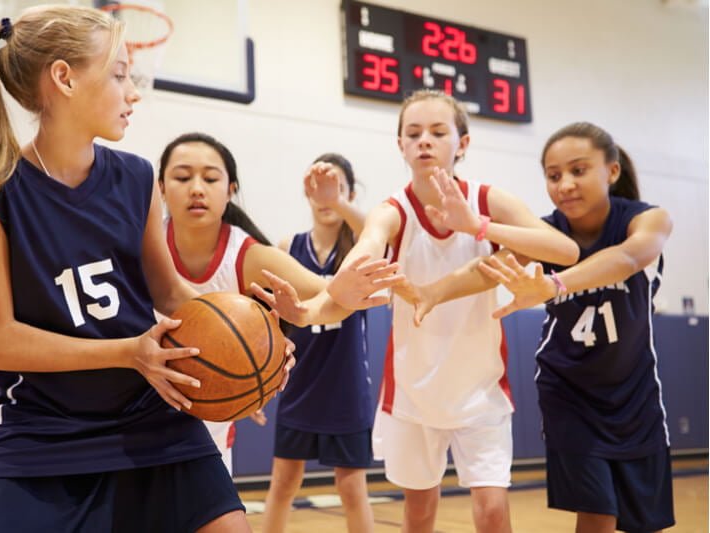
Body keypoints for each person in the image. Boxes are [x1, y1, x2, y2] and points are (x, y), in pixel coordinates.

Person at [0, 7, 298, 532]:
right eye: (120, 74)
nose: (133, 92)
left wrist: (258, 336)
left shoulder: (136, 177)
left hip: (150, 419)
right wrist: (129, 352)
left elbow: (170, 293)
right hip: (41, 429)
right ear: (64, 78)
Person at [252, 89, 580, 533]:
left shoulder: (487, 200)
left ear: (461, 144)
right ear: (400, 146)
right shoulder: (394, 211)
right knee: (419, 513)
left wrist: (477, 226)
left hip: (480, 390)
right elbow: (367, 247)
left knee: (491, 512)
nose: (425, 140)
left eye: (438, 131)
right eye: (414, 132)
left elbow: (566, 249)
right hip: (413, 393)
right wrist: (313, 307)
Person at [158, 134, 400, 478]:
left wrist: (252, 373)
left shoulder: (248, 255)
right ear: (161, 188)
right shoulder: (140, 242)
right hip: (138, 421)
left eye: (210, 178)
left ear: (230, 189)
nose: (197, 188)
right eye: (182, 177)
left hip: (207, 434)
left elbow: (331, 297)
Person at [476, 122, 675, 533]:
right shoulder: (545, 234)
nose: (565, 184)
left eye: (578, 170)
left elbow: (627, 258)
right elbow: (481, 270)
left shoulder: (647, 219)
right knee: (598, 511)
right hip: (569, 390)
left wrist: (552, 284)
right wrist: (427, 292)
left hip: (635, 393)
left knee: (643, 522)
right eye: (553, 176)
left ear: (612, 171)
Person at [261, 154, 374, 533]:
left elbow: (378, 229)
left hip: (346, 387)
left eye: (336, 188)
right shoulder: (286, 246)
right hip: (300, 383)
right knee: (283, 483)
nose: (325, 198)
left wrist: (339, 201)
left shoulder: (363, 246)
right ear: (305, 195)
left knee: (352, 488)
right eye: (317, 189)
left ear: (351, 194)